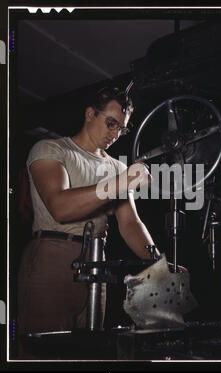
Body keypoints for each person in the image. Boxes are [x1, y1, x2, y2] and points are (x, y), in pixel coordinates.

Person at [16, 86, 163, 357]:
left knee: (89, 353)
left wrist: (159, 262)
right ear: (89, 114)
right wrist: (122, 181)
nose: (115, 134)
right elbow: (60, 207)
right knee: (43, 353)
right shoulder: (51, 148)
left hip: (97, 266)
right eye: (110, 123)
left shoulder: (117, 168)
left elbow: (130, 224)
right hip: (52, 258)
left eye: (122, 129)